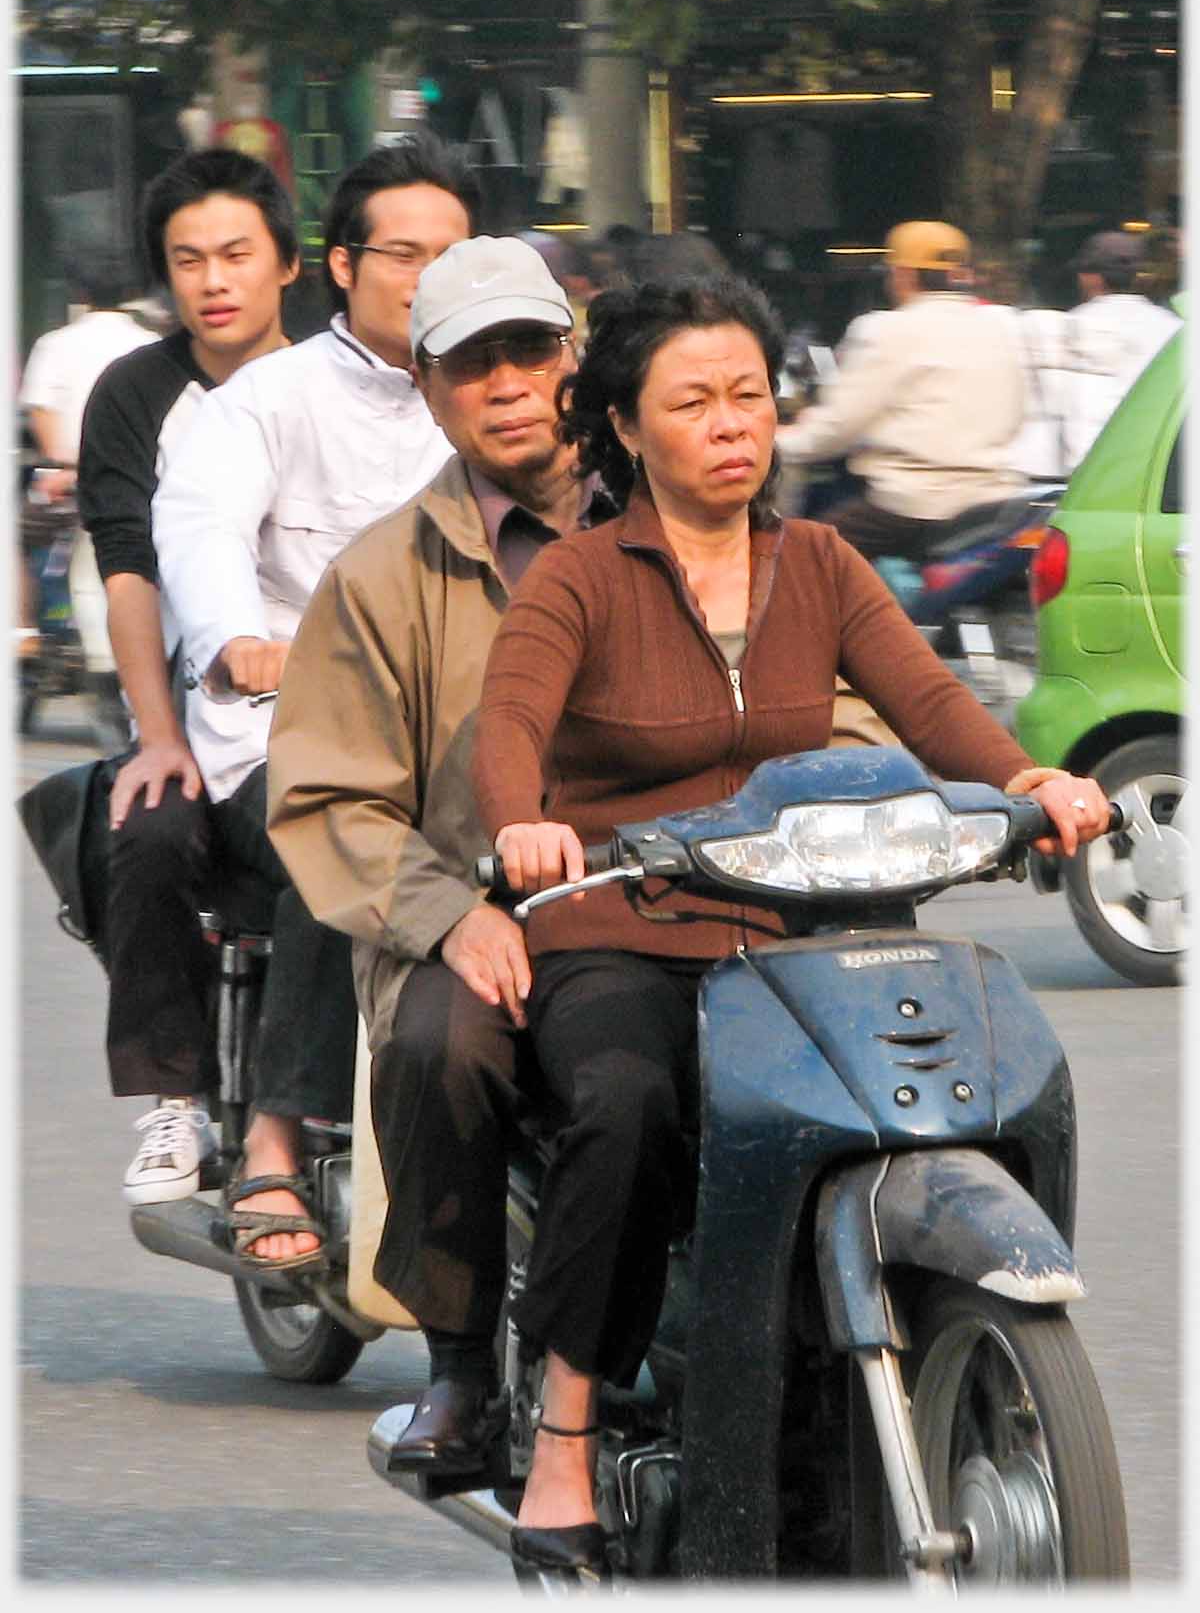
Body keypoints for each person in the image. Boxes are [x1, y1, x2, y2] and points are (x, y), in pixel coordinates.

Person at [466, 272, 1111, 1576]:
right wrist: (523, 821)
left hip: (802, 926)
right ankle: (570, 1433)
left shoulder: (819, 561)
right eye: (691, 402)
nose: (729, 424)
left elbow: (935, 710)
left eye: (748, 395)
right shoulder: (582, 577)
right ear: (627, 429)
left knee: (954, 1074)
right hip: (628, 925)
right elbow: (510, 728)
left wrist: (1030, 782)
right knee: (626, 1103)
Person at [265, 233, 608, 1465]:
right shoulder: (377, 579)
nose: (509, 382)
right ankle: (461, 1364)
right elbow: (328, 802)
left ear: (576, 359)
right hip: (472, 920)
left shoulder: (680, 520)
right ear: (428, 388)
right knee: (440, 1039)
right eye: (475, 364)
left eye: (531, 350)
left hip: (673, 903)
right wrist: (452, 917)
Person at [149, 131, 479, 1262]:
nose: (429, 277)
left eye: (455, 253)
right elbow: (196, 528)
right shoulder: (263, 401)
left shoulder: (499, 396)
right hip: (287, 738)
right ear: (341, 265)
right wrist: (239, 633)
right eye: (404, 253)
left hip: (469, 744)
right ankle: (277, 1147)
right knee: (328, 836)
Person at [77, 147, 303, 1208]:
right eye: (187, 260)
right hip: (194, 706)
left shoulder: (343, 388)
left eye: (236, 256)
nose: (214, 280)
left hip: (336, 717)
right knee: (151, 826)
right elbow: (131, 572)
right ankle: (173, 1099)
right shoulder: (134, 394)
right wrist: (157, 733)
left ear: (291, 267)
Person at [776, 220, 1026, 559]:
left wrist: (776, 443)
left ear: (904, 274)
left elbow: (836, 428)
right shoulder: (1003, 328)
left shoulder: (888, 329)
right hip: (995, 501)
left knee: (799, 558)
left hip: (914, 506)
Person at [16, 251, 154, 654]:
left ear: (79, 293)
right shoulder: (150, 345)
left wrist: (62, 465)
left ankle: (25, 633)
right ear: (131, 293)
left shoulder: (55, 344)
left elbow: (41, 410)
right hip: (137, 480)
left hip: (69, 479)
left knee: (20, 540)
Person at [1049, 230, 1181, 476]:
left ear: (1092, 278)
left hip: (1086, 473)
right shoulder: (1171, 328)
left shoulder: (1071, 326)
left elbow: (1070, 411)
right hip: (1153, 471)